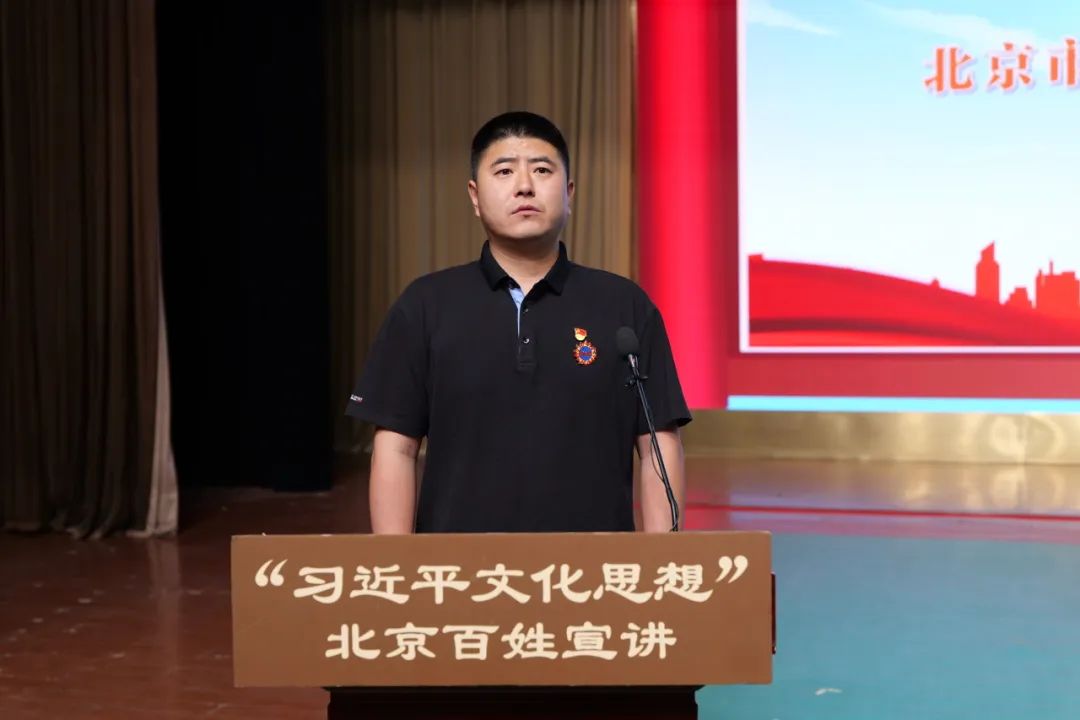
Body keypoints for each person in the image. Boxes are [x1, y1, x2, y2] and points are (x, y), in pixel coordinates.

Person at [346, 110, 690, 534]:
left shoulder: (624, 306)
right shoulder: (425, 305)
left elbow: (657, 447)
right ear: (475, 196)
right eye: (504, 171)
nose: (525, 185)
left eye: (542, 170)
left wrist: (662, 563)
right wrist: (397, 565)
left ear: (569, 193)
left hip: (594, 567)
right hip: (457, 567)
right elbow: (396, 448)